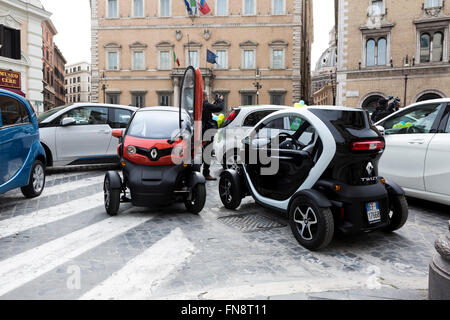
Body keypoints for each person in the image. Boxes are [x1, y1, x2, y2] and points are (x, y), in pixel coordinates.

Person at [202, 91, 225, 181]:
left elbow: (210, 108)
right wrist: (220, 100)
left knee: (204, 152)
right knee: (207, 152)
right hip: (207, 131)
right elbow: (219, 108)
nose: (207, 97)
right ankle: (206, 174)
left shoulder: (202, 104)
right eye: (207, 96)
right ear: (204, 96)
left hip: (202, 130)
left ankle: (202, 172)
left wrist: (214, 102)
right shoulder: (205, 104)